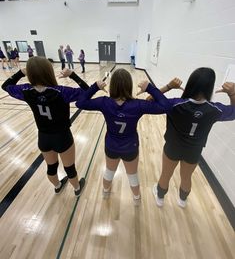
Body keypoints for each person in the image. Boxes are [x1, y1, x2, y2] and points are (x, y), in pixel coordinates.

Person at [75, 68, 175, 206]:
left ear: (112, 86)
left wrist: (95, 87)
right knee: (132, 175)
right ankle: (136, 199)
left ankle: (105, 191)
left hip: (111, 146)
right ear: (130, 85)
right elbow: (166, 106)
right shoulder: (138, 105)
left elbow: (80, 103)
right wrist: (150, 88)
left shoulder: (104, 102)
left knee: (109, 171)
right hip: (130, 147)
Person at [1, 56, 91, 196]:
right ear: (49, 71)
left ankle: (57, 186)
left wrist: (20, 73)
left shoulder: (26, 90)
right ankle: (77, 189)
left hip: (43, 137)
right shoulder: (61, 91)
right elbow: (88, 92)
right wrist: (72, 75)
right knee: (69, 168)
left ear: (30, 73)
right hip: (63, 137)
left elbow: (5, 86)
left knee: (51, 167)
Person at [151, 67, 235, 208]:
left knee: (166, 174)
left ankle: (160, 198)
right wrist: (232, 94)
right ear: (210, 88)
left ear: (190, 84)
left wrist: (169, 86)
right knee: (186, 178)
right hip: (193, 151)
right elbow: (233, 113)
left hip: (172, 147)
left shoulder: (174, 104)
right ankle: (182, 201)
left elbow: (150, 100)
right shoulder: (214, 109)